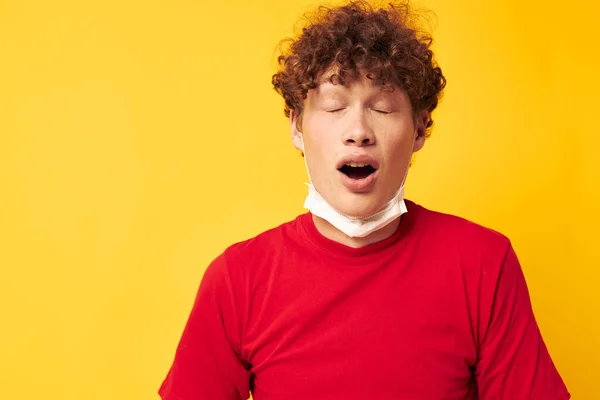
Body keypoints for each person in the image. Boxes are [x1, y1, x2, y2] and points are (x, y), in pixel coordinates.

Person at [158, 1, 570, 399]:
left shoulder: (483, 264)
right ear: (297, 126)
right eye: (335, 107)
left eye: (384, 108)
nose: (358, 131)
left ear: (420, 130)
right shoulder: (237, 279)